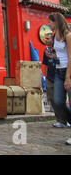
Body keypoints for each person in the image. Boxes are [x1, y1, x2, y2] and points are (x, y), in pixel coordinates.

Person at [47, 13, 71, 144]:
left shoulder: (68, 35)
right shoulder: (56, 36)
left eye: (50, 22)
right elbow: (60, 55)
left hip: (68, 72)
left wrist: (68, 77)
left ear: (56, 22)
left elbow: (70, 57)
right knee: (58, 101)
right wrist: (52, 56)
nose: (49, 24)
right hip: (58, 71)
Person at [42, 32, 69, 128]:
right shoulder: (47, 51)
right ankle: (61, 120)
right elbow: (45, 65)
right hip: (51, 77)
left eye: (48, 38)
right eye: (46, 38)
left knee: (63, 99)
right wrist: (45, 77)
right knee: (54, 99)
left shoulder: (62, 49)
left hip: (62, 74)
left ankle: (67, 119)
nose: (46, 40)